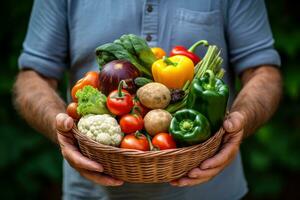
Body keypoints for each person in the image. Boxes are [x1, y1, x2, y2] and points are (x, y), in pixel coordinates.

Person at [13, 0, 282, 199]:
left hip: (213, 192)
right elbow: (33, 75)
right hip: (91, 194)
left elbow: (263, 70)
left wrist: (241, 120)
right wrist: (59, 125)